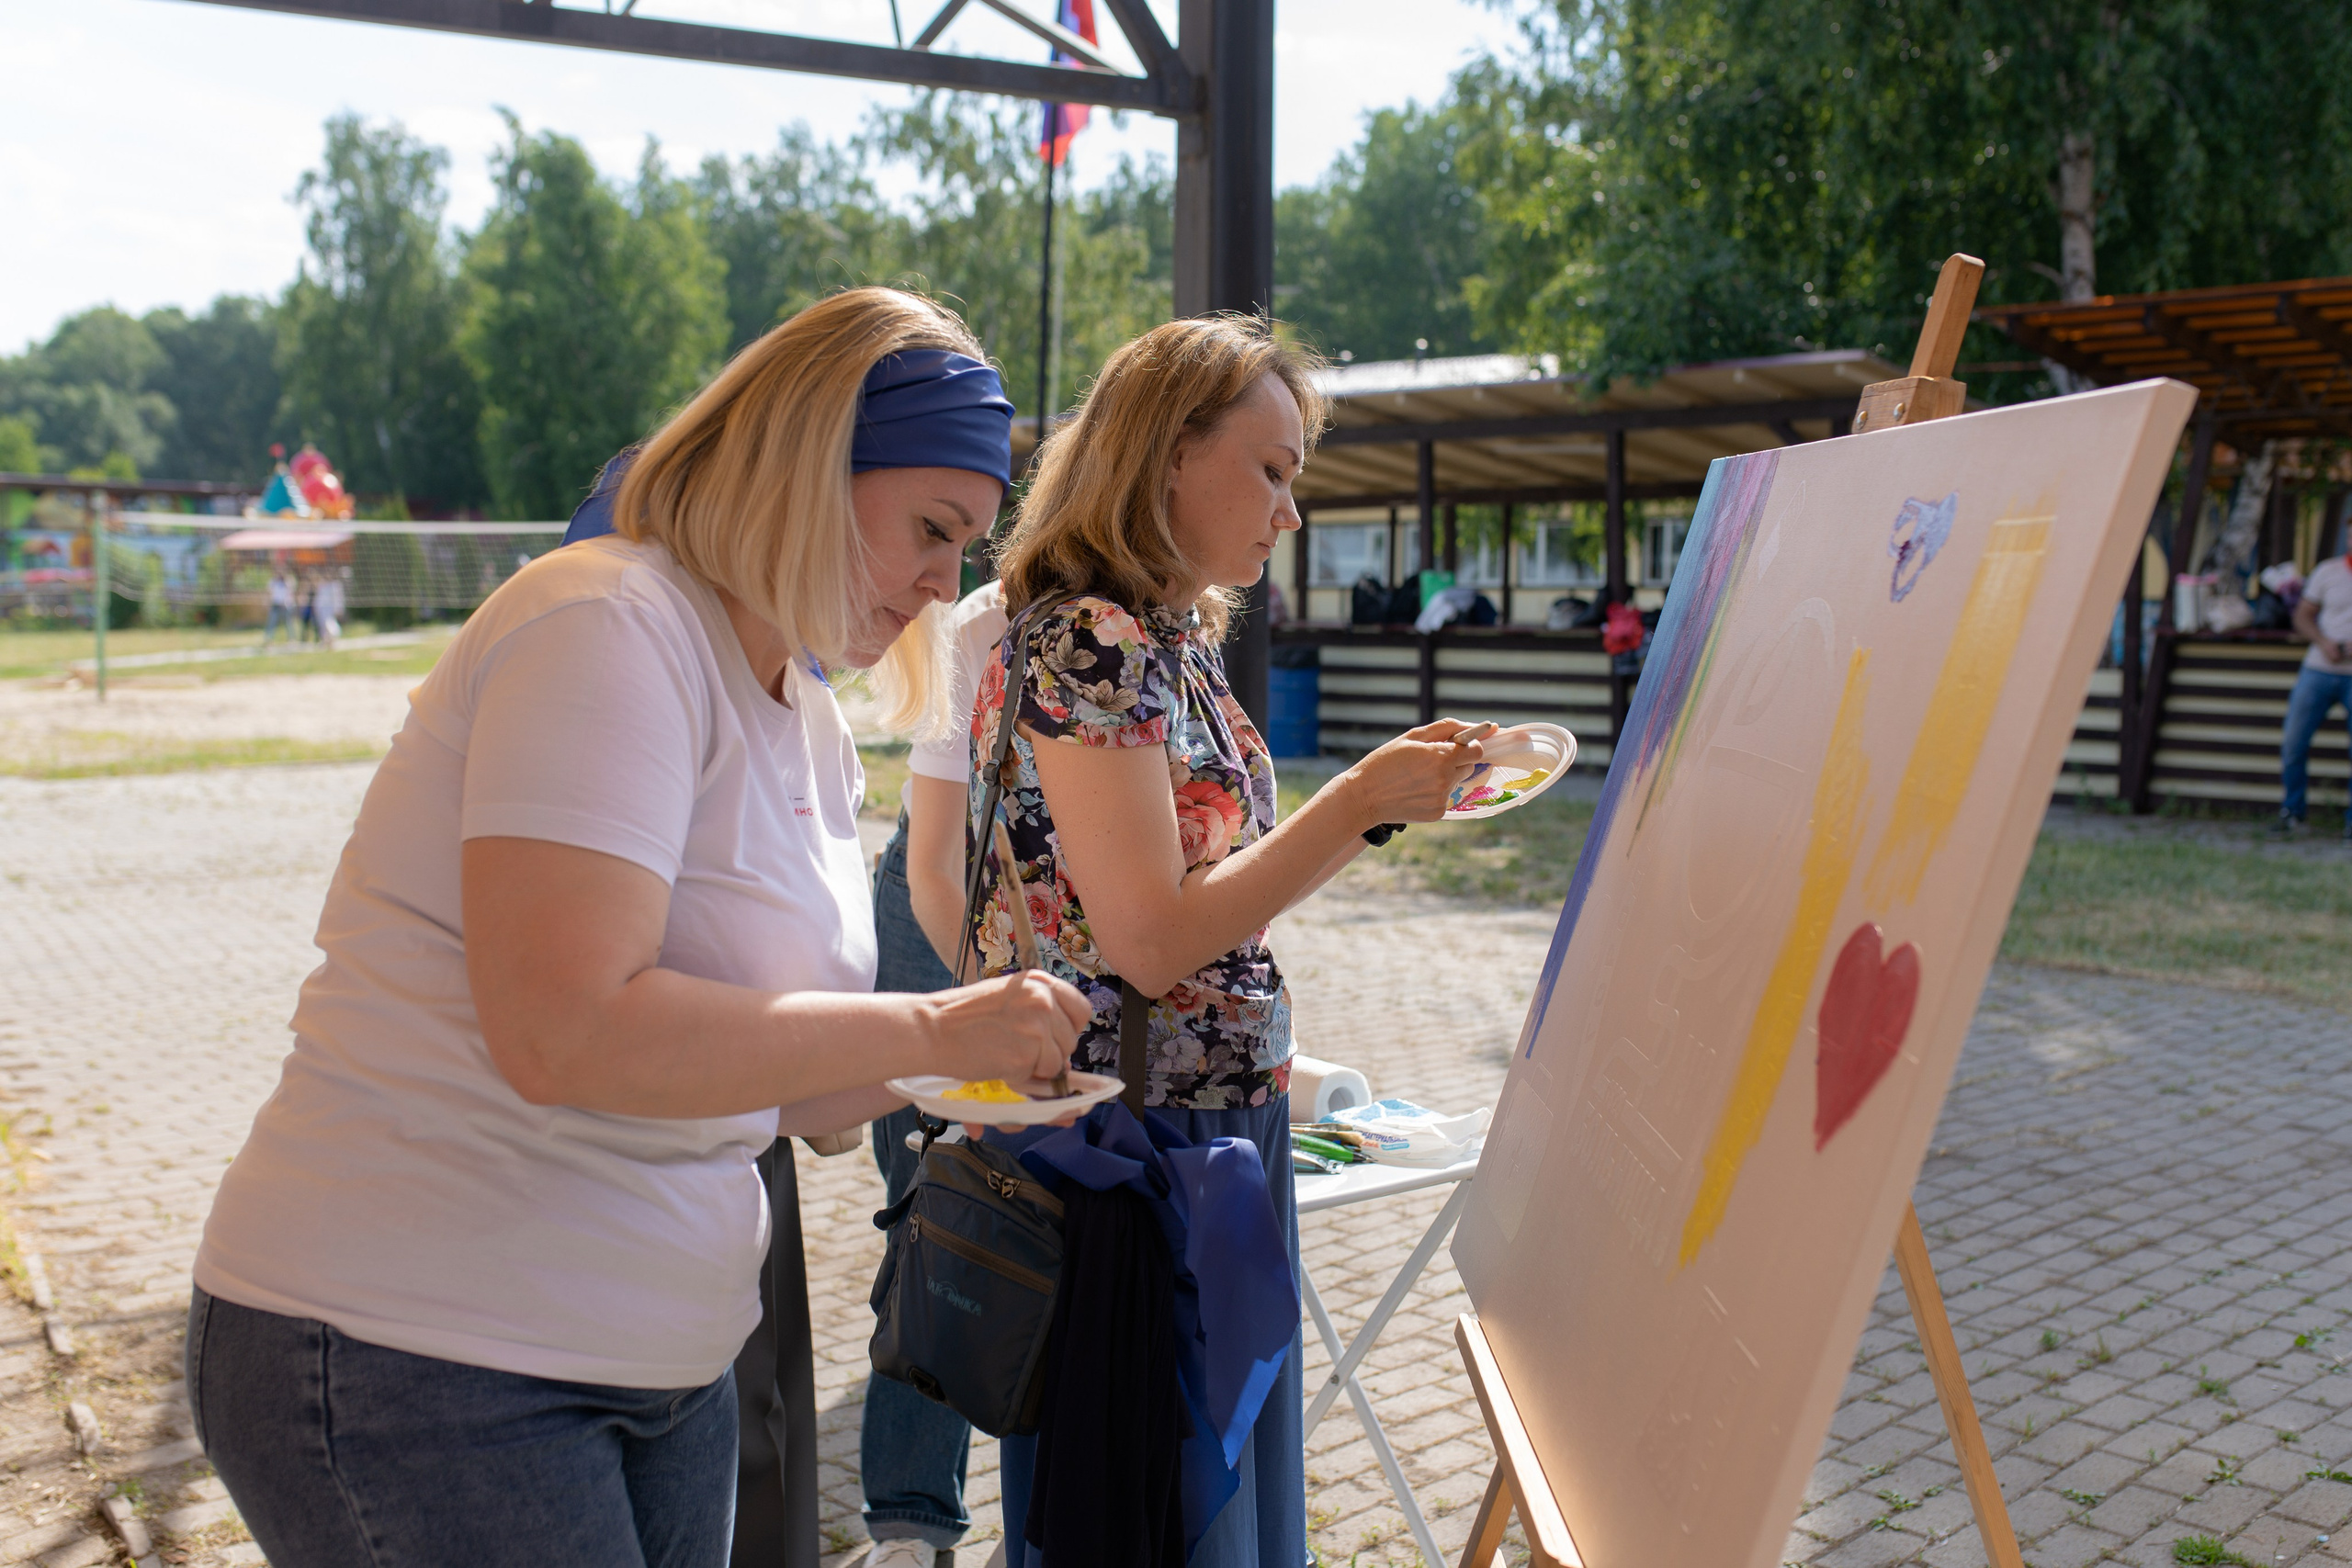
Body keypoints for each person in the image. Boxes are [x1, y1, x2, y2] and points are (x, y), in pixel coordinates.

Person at [185, 287, 1091, 1568]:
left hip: (651, 1362)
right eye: (932, 529)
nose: (949, 583)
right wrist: (937, 1024)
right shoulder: (607, 621)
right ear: (801, 465)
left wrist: (976, 1068)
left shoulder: (808, 713)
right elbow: (564, 1028)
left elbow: (790, 1089)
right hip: (425, 1350)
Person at [973, 316, 1488, 1567]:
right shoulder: (1092, 636)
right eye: (1270, 467)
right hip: (1135, 1148)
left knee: (1207, 1498)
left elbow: (1191, 903)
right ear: (1162, 458)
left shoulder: (1166, 635)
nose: (1289, 510)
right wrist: (1356, 800)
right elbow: (1149, 939)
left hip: (1198, 1125)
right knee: (1166, 1507)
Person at [860, 577, 1003, 1568]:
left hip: (1068, 909)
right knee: (935, 1217)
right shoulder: (991, 619)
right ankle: (910, 1521)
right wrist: (998, 1004)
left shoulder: (1188, 621)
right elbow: (937, 871)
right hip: (941, 898)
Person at [2274, 539, 2352, 839]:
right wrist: (2323, 642)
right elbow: (2302, 616)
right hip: (2318, 669)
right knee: (2294, 742)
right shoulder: (2328, 571)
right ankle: (2293, 812)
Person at [262, 566, 293, 645]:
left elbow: (290, 593)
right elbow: (268, 592)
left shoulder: (287, 582)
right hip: (275, 604)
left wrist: (286, 602)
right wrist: (267, 602)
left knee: (288, 623)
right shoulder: (273, 582)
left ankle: (291, 639)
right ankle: (268, 639)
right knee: (271, 622)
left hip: (285, 605)